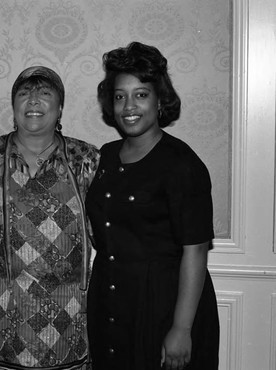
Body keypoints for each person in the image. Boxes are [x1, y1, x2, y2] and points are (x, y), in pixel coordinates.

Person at [86, 41, 220, 370]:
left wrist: (181, 329)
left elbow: (196, 250)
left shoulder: (181, 164)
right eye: (120, 96)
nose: (129, 106)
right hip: (112, 303)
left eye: (141, 94)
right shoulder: (105, 156)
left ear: (160, 100)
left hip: (165, 307)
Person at [0, 66, 100, 369]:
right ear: (14, 105)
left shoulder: (86, 160)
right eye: (24, 93)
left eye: (44, 93)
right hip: (5, 319)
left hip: (70, 319)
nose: (33, 100)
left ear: (60, 107)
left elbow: (105, 237)